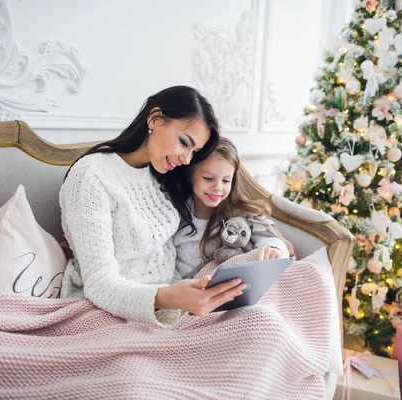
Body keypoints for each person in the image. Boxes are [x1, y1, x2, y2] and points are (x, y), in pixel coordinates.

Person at [59, 86, 246, 326]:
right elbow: (99, 284)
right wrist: (169, 298)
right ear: (155, 119)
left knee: (265, 320)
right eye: (184, 143)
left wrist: (271, 236)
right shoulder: (92, 175)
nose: (186, 159)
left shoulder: (162, 174)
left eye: (194, 151)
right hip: (111, 311)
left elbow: (220, 193)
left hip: (174, 300)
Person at [172, 137, 290, 281]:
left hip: (235, 287)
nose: (218, 187)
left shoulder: (239, 213)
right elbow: (168, 265)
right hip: (190, 291)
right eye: (208, 178)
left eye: (226, 180)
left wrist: (275, 250)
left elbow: (270, 239)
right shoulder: (174, 214)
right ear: (190, 175)